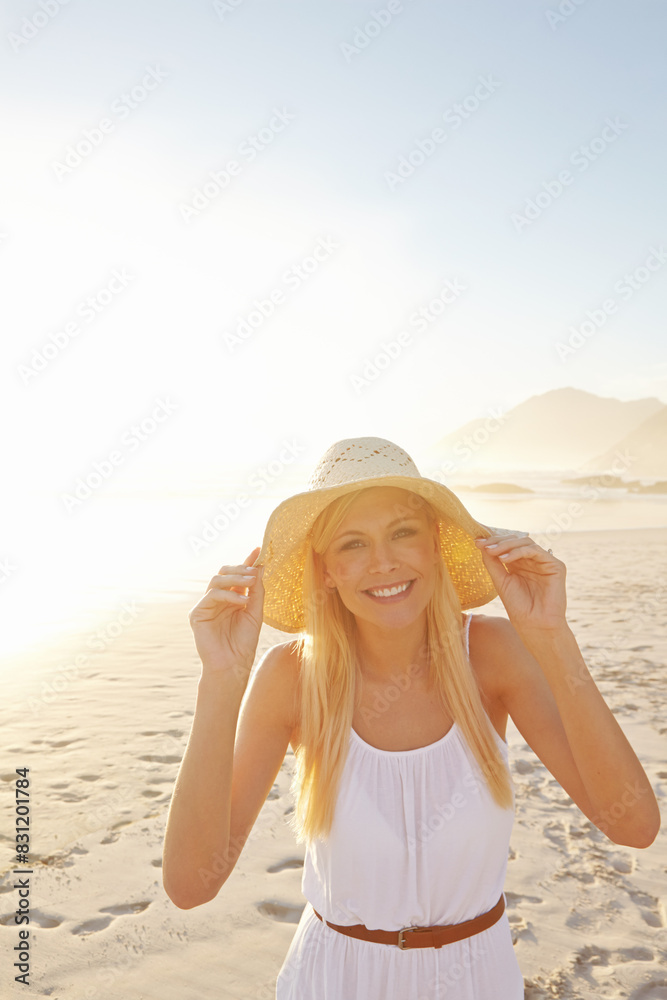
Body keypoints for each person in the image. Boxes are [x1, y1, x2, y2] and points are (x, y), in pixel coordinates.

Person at [162, 436, 660, 999]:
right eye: (353, 544)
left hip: (478, 980)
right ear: (325, 569)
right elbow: (189, 885)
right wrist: (221, 682)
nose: (384, 563)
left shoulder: (493, 656)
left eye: (402, 533)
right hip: (335, 981)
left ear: (434, 546)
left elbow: (634, 826)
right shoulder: (291, 678)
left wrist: (551, 638)